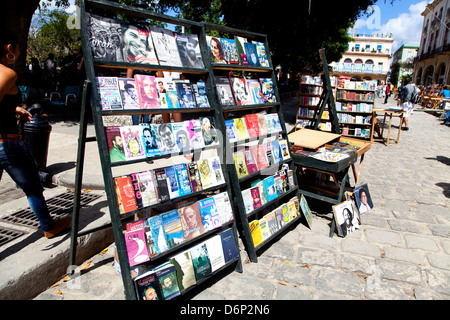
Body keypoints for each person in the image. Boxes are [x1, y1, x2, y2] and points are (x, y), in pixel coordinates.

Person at [0, 30, 71, 238]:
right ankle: (49, 227)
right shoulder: (7, 73)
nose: (20, 51)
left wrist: (14, 109)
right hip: (9, 145)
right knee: (33, 188)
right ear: (9, 48)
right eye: (19, 47)